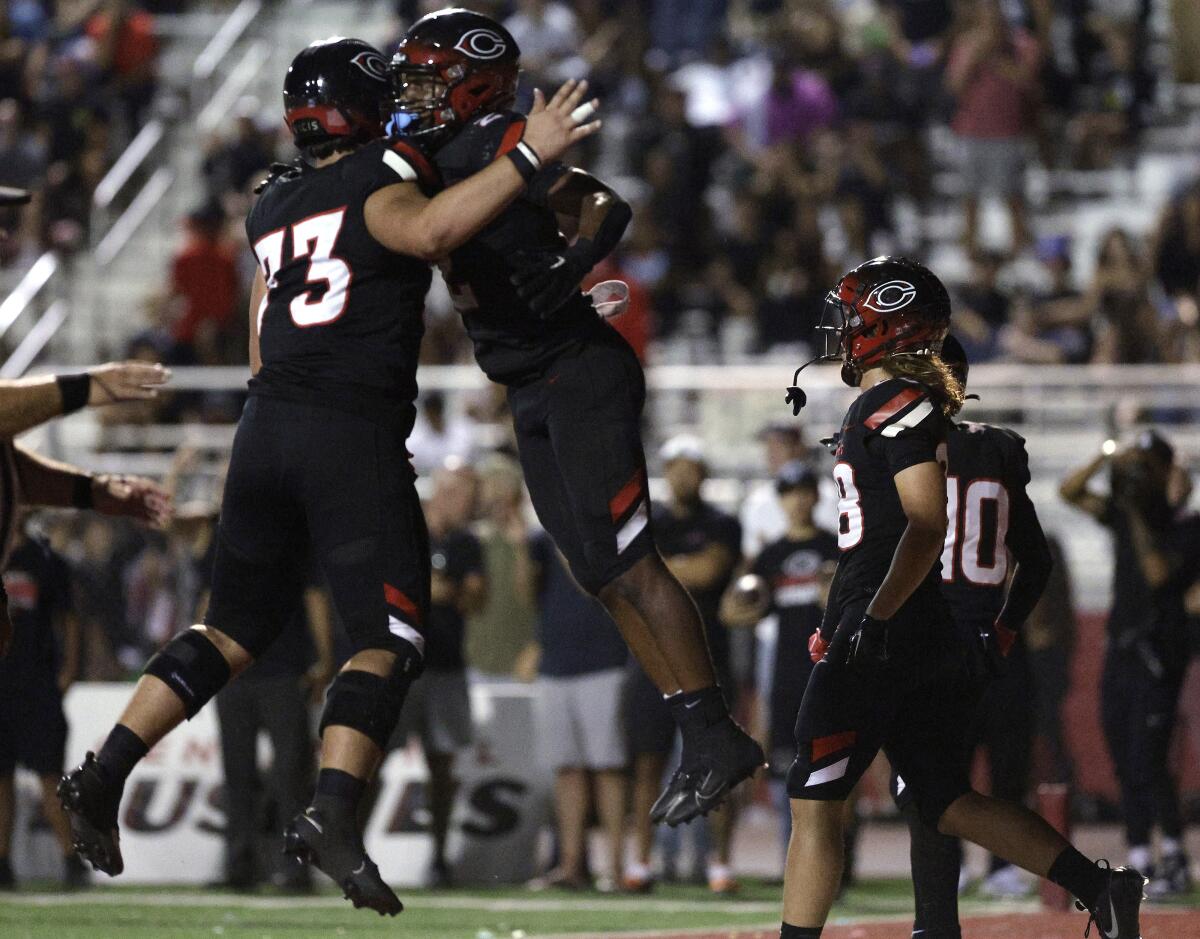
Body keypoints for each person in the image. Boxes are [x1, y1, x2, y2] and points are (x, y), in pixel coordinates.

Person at [58, 37, 599, 916]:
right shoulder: (379, 175)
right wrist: (530, 151)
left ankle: (103, 769)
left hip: (265, 422)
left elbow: (262, 332)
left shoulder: (271, 203)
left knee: (229, 627)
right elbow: (427, 229)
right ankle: (332, 812)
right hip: (346, 427)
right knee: (391, 638)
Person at [389, 9, 763, 827]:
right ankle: (699, 727)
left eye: (426, 77)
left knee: (629, 558)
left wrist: (569, 264)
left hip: (578, 372)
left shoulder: (492, 139)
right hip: (528, 382)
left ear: (472, 84)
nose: (412, 92)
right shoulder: (440, 149)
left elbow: (602, 205)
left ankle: (714, 731)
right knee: (597, 571)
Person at [778, 255, 1144, 939]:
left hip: (888, 630)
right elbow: (876, 541)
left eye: (853, 315)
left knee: (815, 800)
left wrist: (870, 620)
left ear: (890, 326)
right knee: (946, 797)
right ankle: (1102, 885)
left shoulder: (897, 404)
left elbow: (924, 524)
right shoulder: (901, 405)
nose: (842, 327)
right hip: (919, 630)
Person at [888, 333, 1054, 933]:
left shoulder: (897, 441)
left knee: (923, 791)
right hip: (981, 642)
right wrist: (1005, 630)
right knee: (948, 788)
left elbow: (883, 556)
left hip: (923, 643)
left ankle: (936, 924)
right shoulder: (999, 449)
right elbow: (1035, 561)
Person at [1060, 431, 1195, 897]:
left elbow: (1158, 573)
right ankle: (1139, 853)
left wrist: (1140, 508)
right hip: (1120, 648)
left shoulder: (1186, 525)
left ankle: (1174, 854)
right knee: (1122, 751)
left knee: (1150, 758)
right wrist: (1107, 454)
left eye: (1147, 465)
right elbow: (1070, 492)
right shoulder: (1124, 511)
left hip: (1159, 652)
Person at [623, 435, 741, 893]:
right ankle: (641, 861)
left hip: (707, 658)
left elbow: (708, 572)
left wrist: (661, 571)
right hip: (655, 658)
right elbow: (639, 579)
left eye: (690, 465)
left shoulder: (722, 523)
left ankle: (720, 863)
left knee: (718, 760)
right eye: (675, 466)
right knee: (647, 762)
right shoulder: (651, 521)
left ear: (704, 472)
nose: (682, 474)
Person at [720, 461, 837, 861]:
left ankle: (840, 858)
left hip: (830, 670)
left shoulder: (834, 548)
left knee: (836, 764)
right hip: (787, 672)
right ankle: (797, 856)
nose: (799, 500)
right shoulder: (770, 555)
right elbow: (735, 613)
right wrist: (742, 593)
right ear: (781, 500)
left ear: (817, 496)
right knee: (787, 765)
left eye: (805, 491)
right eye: (791, 493)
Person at [392, 460, 485, 888]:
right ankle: (348, 847)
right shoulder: (405, 528)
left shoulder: (468, 542)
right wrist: (443, 589)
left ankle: (439, 857)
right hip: (401, 667)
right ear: (443, 493)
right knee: (370, 761)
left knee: (443, 768)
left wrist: (437, 588)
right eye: (464, 494)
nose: (470, 503)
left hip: (446, 665)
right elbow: (403, 588)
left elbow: (474, 600)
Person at [530, 535, 628, 891]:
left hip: (603, 660)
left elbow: (594, 588)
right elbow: (527, 598)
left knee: (607, 766)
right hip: (554, 662)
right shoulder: (540, 540)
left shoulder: (598, 533)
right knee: (566, 768)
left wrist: (566, 540)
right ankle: (571, 865)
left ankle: (615, 868)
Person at [0, 517, 87, 889]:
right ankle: (2, 862)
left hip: (36, 682)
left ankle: (71, 860)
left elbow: (69, 619)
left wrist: (68, 671)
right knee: (0, 779)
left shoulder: (45, 558)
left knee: (50, 775)